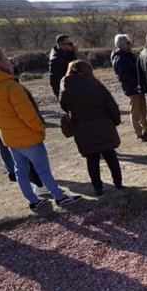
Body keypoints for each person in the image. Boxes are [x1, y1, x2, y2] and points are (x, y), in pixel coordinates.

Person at [0, 46, 81, 210]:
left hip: (8, 137)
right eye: (5, 57)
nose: (8, 60)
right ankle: (60, 197)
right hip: (27, 136)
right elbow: (27, 112)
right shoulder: (10, 85)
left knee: (20, 171)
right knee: (43, 170)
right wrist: (39, 127)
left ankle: (32, 200)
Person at [60, 60, 123, 196]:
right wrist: (115, 121)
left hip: (82, 127)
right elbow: (112, 106)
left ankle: (98, 188)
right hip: (103, 124)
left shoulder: (65, 87)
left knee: (92, 159)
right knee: (110, 155)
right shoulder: (97, 85)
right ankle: (118, 183)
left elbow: (64, 106)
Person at [111, 34, 147, 142]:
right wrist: (137, 84)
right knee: (135, 112)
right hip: (132, 89)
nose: (130, 44)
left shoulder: (129, 54)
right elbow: (125, 75)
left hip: (139, 87)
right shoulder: (119, 57)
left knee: (143, 110)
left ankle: (146, 130)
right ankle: (138, 133)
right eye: (128, 42)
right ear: (121, 44)